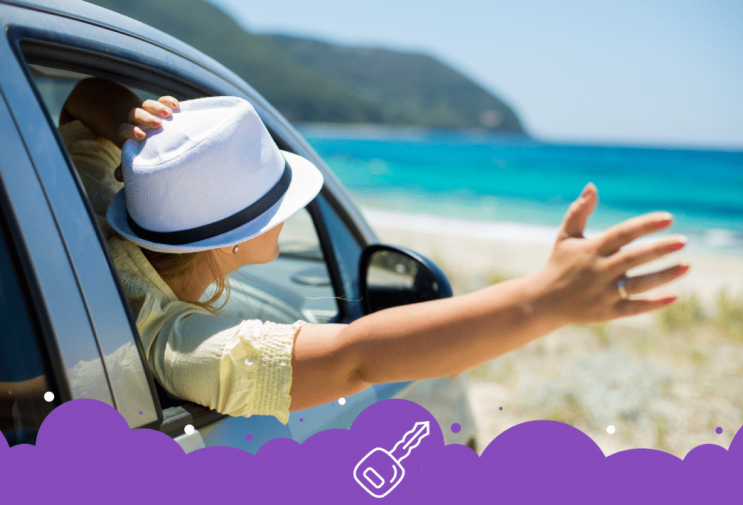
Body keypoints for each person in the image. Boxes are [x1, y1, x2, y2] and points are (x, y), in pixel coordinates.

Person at [60, 79, 688, 426]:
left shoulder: (92, 212)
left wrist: (136, 134)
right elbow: (357, 360)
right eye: (278, 195)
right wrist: (544, 300)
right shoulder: (177, 344)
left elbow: (86, 95)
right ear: (225, 239)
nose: (296, 206)